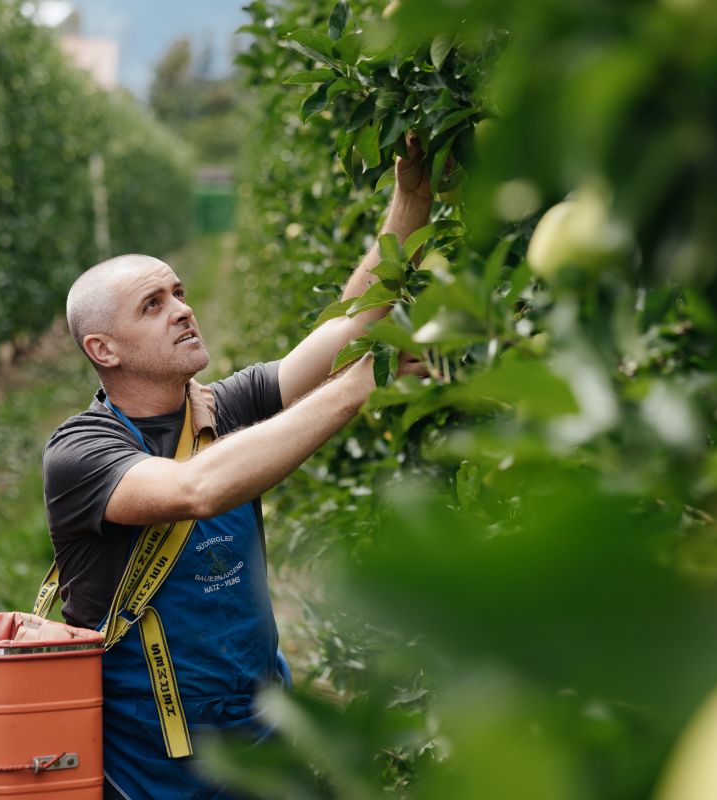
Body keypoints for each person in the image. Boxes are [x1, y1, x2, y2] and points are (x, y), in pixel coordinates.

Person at [41, 138, 433, 800]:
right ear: (101, 349)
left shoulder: (222, 406)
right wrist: (355, 388)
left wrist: (412, 199)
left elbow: (350, 328)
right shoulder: (80, 452)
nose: (183, 309)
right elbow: (196, 490)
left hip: (256, 734)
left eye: (179, 293)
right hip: (150, 764)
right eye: (153, 304)